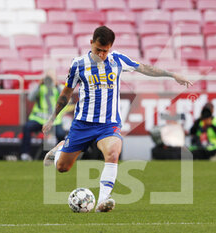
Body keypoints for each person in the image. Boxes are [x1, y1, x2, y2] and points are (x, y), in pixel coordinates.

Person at [42, 26, 193, 212]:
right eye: (98, 50)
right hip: (82, 125)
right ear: (91, 43)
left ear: (110, 48)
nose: (102, 54)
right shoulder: (78, 64)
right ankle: (60, 148)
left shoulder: (118, 60)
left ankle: (102, 202)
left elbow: (145, 68)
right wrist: (52, 118)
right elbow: (66, 92)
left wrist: (171, 75)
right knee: (62, 168)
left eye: (105, 51)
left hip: (108, 125)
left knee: (113, 152)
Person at [20, 70, 67, 161]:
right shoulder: (40, 87)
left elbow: (64, 98)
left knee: (61, 135)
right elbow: (30, 98)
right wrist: (39, 84)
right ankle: (25, 154)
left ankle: (58, 155)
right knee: (27, 127)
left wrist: (56, 84)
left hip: (54, 120)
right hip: (39, 118)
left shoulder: (59, 87)